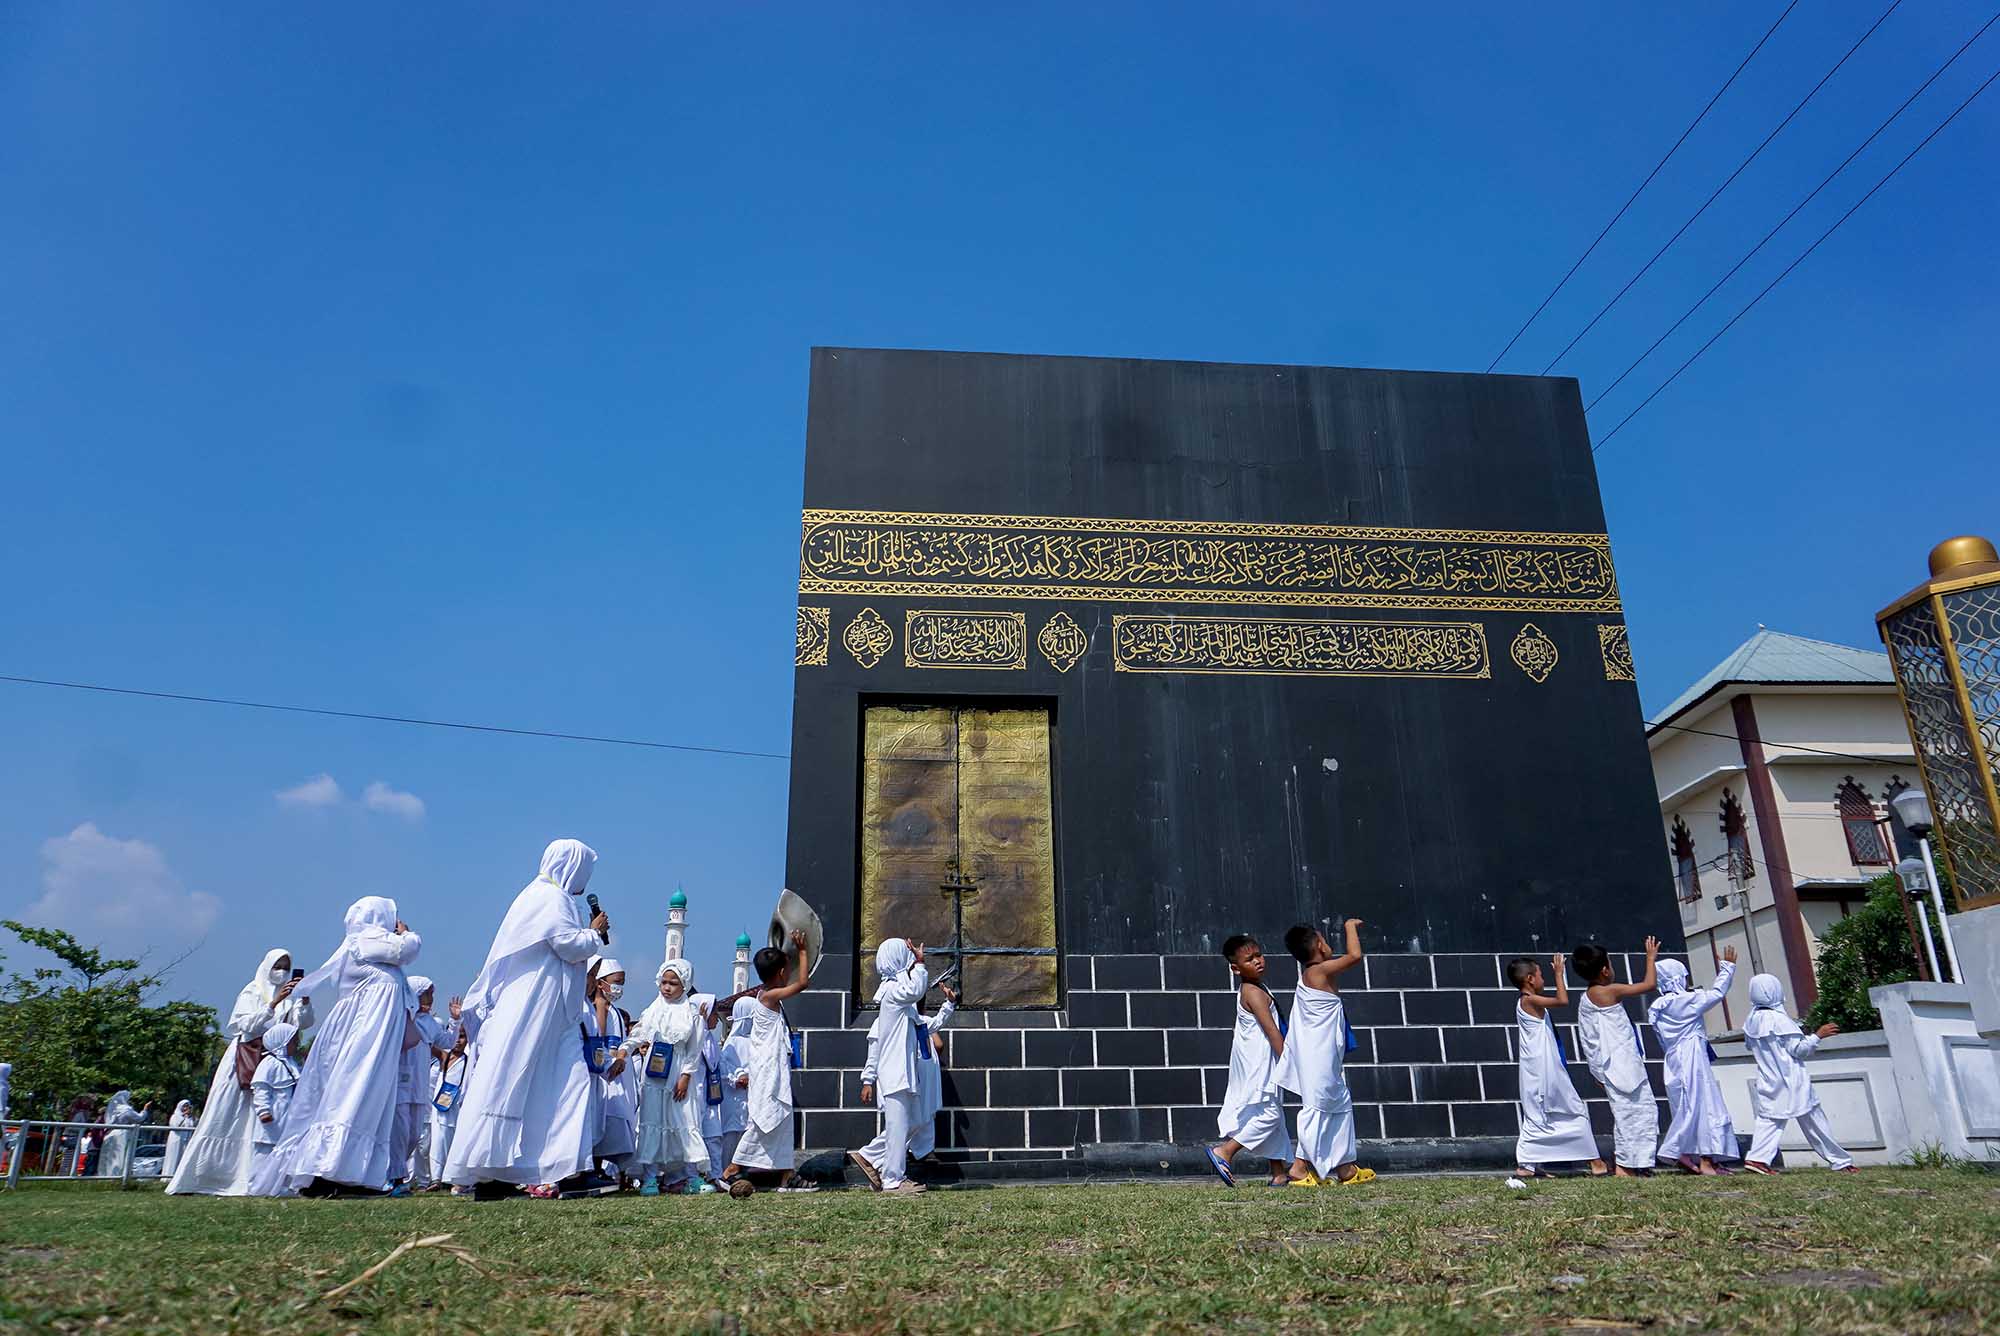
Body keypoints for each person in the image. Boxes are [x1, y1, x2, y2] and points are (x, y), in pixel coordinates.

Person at [444, 839, 608, 1200]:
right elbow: (567, 944)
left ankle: (563, 1168)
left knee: (560, 1082)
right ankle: (503, 1171)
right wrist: (594, 931)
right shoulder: (551, 898)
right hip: (538, 1004)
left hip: (547, 1009)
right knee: (531, 1080)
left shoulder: (539, 895)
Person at [261, 896, 422, 1197]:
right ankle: (330, 1172)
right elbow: (405, 950)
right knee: (352, 1095)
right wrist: (407, 934)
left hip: (374, 1038)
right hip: (365, 1037)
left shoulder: (367, 946)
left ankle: (352, 1174)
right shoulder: (367, 939)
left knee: (366, 1100)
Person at [167, 947, 314, 1195]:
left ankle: (257, 1178)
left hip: (273, 1059)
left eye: (286, 967)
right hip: (246, 1057)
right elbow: (245, 1024)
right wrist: (273, 1003)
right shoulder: (253, 990)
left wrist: (304, 1000)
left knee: (264, 1122)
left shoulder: (291, 994)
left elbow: (303, 1024)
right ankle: (207, 1177)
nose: (282, 972)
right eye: (278, 966)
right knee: (229, 1114)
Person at [1274, 919, 1373, 1187]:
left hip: (1327, 1055)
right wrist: (1350, 926)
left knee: (1339, 1104)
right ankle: (1298, 1168)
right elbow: (1354, 956)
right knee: (1317, 1107)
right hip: (1317, 1057)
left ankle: (1345, 1169)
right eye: (1325, 940)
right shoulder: (1316, 973)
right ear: (1319, 944)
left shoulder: (1318, 973)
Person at [724, 930, 816, 1194]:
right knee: (765, 1120)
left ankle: (787, 1176)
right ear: (780, 973)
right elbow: (802, 985)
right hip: (767, 1071)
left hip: (776, 1068)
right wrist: (802, 950)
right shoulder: (767, 996)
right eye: (786, 970)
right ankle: (732, 1168)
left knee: (782, 1119)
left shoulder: (769, 994)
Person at [1741, 973, 1854, 1174]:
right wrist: (1817, 1036)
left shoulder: (1751, 1021)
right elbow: (1798, 1051)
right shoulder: (1780, 1020)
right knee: (1815, 1122)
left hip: (1769, 1080)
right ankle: (1840, 1161)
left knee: (1769, 1120)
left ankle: (1757, 1159)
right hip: (1792, 1081)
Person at [1508, 954, 1606, 1178]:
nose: (1544, 979)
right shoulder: (1529, 1000)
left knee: (1539, 1113)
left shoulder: (1527, 1001)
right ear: (1531, 979)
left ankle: (1529, 1165)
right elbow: (1562, 1000)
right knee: (1571, 1108)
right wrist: (1560, 974)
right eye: (1541, 975)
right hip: (1543, 1069)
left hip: (1539, 1067)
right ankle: (1595, 1161)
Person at [1207, 934, 1291, 1188]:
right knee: (1270, 1114)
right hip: (1258, 1062)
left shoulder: (1257, 987)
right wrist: (1290, 1062)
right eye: (1249, 959)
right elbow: (1271, 1031)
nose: (1257, 962)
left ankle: (1279, 1174)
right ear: (1235, 968)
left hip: (1259, 1059)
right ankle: (1226, 1152)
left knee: (1273, 1110)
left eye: (1258, 955)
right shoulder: (1253, 992)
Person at [1572, 938, 1661, 1177]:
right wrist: (1650, 957)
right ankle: (1626, 1165)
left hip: (1610, 1066)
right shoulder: (1608, 991)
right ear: (1604, 970)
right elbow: (1649, 984)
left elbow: (1588, 1038)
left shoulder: (1587, 996)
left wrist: (1596, 1070)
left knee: (1627, 1114)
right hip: (1621, 1065)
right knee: (1639, 1112)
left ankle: (1630, 1163)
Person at [1649, 949, 1740, 1175]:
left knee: (1683, 1105)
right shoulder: (1686, 1001)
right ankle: (1705, 1160)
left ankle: (1685, 1152)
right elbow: (1717, 993)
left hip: (1672, 1059)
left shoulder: (1658, 1006)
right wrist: (1727, 968)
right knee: (1704, 1105)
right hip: (1692, 1057)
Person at [852, 938, 931, 1196]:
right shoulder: (894, 992)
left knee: (916, 1120)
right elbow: (917, 990)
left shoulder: (897, 994)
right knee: (898, 1126)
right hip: (895, 1071)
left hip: (903, 1071)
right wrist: (919, 964)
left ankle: (868, 1156)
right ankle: (893, 1180)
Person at [630, 959, 712, 1194]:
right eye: (664, 982)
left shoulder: (691, 1014)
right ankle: (650, 1178)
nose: (667, 987)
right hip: (654, 1073)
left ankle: (691, 1178)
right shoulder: (653, 1009)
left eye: (673, 983)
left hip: (677, 1071)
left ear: (684, 984)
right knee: (653, 1121)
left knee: (684, 1121)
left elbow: (694, 1050)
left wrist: (686, 1076)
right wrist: (625, 1049)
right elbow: (639, 1033)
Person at [585, 956, 641, 1183]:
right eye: (616, 981)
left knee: (612, 1122)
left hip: (618, 1073)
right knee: (603, 1119)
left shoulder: (614, 1009)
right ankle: (595, 1168)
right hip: (606, 1073)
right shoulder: (599, 1008)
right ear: (600, 983)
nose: (619, 987)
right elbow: (598, 1038)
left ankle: (608, 1171)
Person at [395, 976, 451, 1193]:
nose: (431, 998)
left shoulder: (430, 1022)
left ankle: (401, 1176)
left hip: (420, 1086)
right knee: (398, 1132)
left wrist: (454, 1021)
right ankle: (396, 1179)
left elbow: (446, 1042)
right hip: (400, 1083)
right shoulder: (399, 1017)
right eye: (427, 993)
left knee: (414, 1135)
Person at [907, 981, 958, 1166]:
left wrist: (949, 1003)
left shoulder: (922, 1021)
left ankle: (924, 1150)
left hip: (927, 1071)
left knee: (928, 1111)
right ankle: (906, 1149)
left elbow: (937, 1023)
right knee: (913, 1113)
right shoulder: (899, 1023)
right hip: (911, 1072)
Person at [249, 1022, 302, 1175]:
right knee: (265, 1153)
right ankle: (258, 1185)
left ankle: (281, 1185)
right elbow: (261, 1089)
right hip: (273, 1117)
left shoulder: (292, 1064)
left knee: (285, 1151)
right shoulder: (269, 1063)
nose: (297, 1044)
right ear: (282, 1041)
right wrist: (263, 1111)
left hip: (288, 1116)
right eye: (294, 1041)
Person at [716, 995, 757, 1173]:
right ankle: (727, 1171)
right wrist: (738, 1077)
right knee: (731, 1136)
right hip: (733, 1098)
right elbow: (725, 1067)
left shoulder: (756, 1042)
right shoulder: (732, 1042)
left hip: (750, 1097)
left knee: (747, 1134)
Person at [429, 1027, 470, 1191]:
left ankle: (453, 1177)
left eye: (462, 1037)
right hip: (441, 1107)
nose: (459, 1041)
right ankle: (436, 1179)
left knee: (454, 1141)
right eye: (457, 1037)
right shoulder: (445, 1057)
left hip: (457, 1107)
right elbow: (429, 1045)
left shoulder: (468, 1060)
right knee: (438, 1142)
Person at [98, 1091, 151, 1178]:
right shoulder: (126, 1109)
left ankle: (106, 1177)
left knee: (109, 1158)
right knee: (120, 1158)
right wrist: (145, 1109)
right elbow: (139, 1118)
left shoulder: (113, 1110)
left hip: (110, 1134)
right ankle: (118, 1177)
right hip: (122, 1134)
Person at [161, 1099, 197, 1179]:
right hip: (176, 1140)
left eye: (188, 1106)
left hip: (185, 1141)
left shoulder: (189, 1118)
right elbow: (176, 1126)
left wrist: (192, 1116)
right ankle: (168, 1177)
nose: (186, 1108)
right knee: (173, 1159)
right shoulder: (175, 1116)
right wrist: (183, 1115)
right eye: (185, 1106)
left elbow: (194, 1125)